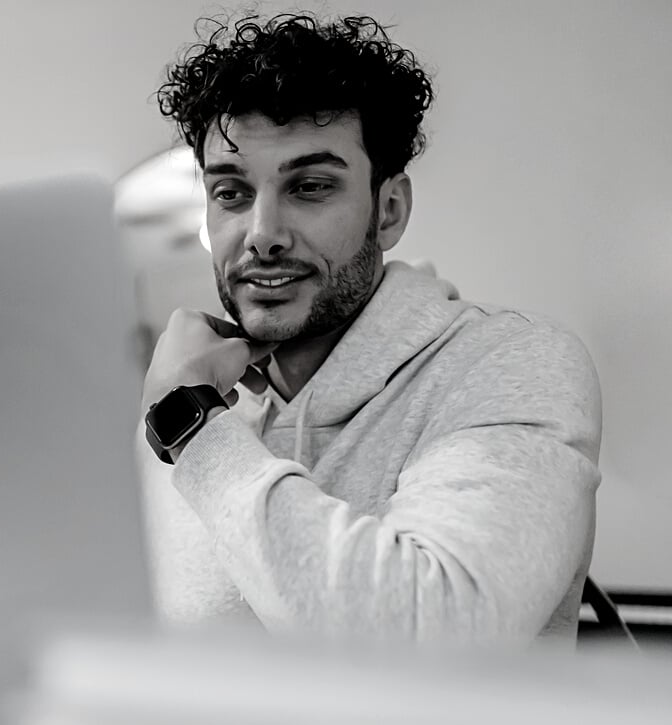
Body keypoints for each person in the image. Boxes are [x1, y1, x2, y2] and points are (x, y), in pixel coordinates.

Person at [137, 12, 601, 645]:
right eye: (231, 193)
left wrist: (193, 430)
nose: (262, 234)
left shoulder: (511, 364)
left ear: (389, 210)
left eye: (310, 187)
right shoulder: (184, 393)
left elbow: (429, 640)